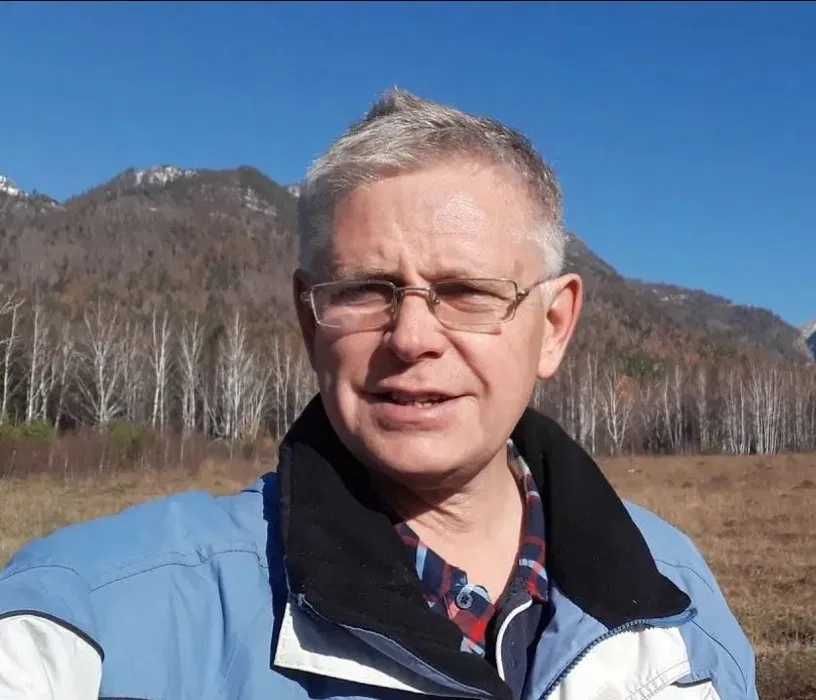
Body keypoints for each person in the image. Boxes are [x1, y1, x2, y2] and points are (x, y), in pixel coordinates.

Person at [0, 90, 757, 700]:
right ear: (310, 321)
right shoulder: (95, 619)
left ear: (553, 326)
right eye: (365, 291)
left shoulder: (674, 593)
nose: (412, 337)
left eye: (466, 292)